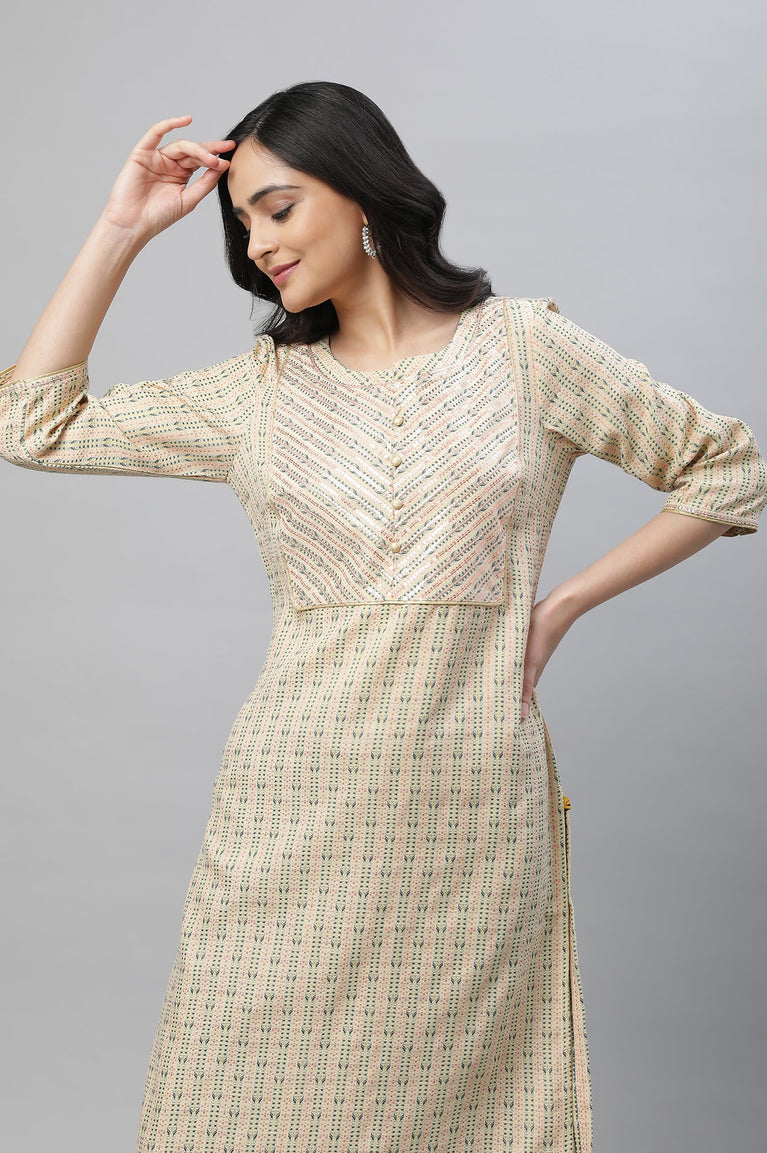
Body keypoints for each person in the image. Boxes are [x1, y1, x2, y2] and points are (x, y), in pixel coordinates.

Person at [2, 80, 766, 1153]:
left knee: (458, 1111)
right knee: (240, 1101)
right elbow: (33, 424)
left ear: (363, 192)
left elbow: (726, 467)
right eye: (241, 224)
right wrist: (123, 227)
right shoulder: (260, 391)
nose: (259, 243)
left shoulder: (525, 351)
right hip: (290, 810)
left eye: (279, 207)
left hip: (468, 809)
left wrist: (559, 605)